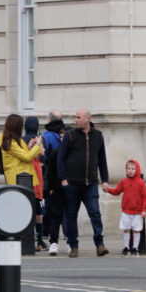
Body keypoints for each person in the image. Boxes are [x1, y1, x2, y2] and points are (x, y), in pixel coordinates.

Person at [57, 108, 110, 258]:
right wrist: (63, 179)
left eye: (78, 117)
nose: (76, 120)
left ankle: (99, 244)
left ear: (87, 119)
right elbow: (61, 158)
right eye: (75, 117)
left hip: (91, 184)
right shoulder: (70, 135)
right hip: (72, 184)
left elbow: (102, 160)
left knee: (95, 213)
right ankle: (73, 246)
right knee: (72, 215)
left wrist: (105, 180)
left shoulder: (98, 136)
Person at [0, 114, 43, 247]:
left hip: (24, 178)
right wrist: (38, 145)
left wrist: (29, 146)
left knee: (25, 211)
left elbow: (23, 154)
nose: (23, 127)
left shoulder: (15, 140)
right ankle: (19, 241)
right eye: (21, 125)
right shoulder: (9, 142)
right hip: (18, 180)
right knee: (21, 212)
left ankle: (25, 241)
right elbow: (26, 157)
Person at [104, 159, 146, 256]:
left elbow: (145, 197)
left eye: (133, 168)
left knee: (136, 230)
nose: (130, 170)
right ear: (126, 170)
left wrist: (144, 209)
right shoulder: (124, 181)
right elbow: (117, 191)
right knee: (126, 229)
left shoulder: (141, 183)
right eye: (128, 168)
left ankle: (135, 248)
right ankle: (126, 247)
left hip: (137, 212)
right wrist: (108, 190)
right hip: (126, 211)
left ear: (137, 170)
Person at [40, 109, 67, 256]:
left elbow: (42, 159)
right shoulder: (67, 134)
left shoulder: (46, 136)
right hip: (67, 182)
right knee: (67, 213)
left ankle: (49, 238)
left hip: (52, 181)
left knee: (53, 211)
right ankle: (69, 241)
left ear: (49, 121)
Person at [22, 116, 47, 251]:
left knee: (29, 211)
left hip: (26, 179)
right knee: (38, 213)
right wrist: (38, 144)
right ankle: (39, 240)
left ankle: (31, 240)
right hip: (36, 180)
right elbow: (43, 153)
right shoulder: (38, 140)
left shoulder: (21, 141)